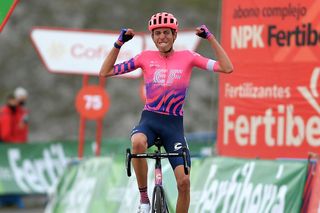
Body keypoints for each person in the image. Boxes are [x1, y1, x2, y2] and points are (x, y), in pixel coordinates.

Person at [100, 12, 233, 213]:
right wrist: (119, 43)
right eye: (158, 33)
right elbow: (105, 71)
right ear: (153, 37)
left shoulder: (188, 57)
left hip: (173, 127)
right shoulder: (145, 57)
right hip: (150, 121)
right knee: (137, 143)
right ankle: (144, 199)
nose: (162, 37)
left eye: (166, 33)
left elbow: (227, 67)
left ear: (174, 35)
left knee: (184, 183)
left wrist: (210, 38)